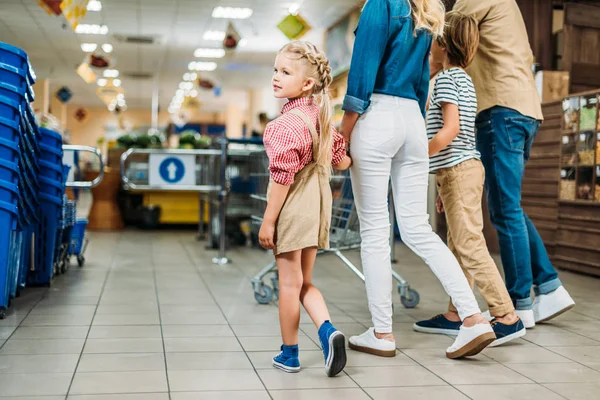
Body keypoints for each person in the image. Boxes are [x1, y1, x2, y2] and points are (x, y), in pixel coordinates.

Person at [339, 0, 495, 360]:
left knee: (376, 230)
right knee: (417, 228)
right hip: (413, 118)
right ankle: (472, 317)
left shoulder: (381, 4)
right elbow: (425, 79)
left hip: (377, 115)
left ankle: (382, 333)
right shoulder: (427, 10)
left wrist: (343, 132)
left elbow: (362, 73)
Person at [437, 0, 576, 328]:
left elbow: (445, 32)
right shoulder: (509, 7)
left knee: (504, 209)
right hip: (522, 110)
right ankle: (548, 285)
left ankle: (519, 304)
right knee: (507, 206)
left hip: (501, 109)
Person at [413, 11, 526, 347]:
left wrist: (421, 156)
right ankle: (456, 313)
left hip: (460, 170)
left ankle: (506, 314)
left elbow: (451, 130)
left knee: (469, 244)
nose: (429, 49)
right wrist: (442, 184)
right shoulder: (462, 77)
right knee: (458, 245)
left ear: (443, 45)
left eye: (432, 42)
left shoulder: (447, 79)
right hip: (459, 171)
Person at [259, 41, 352, 376]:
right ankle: (328, 331)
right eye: (275, 69)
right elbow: (343, 162)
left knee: (287, 283)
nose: (276, 77)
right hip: (318, 204)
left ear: (307, 83)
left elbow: (282, 180)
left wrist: (268, 222)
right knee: (303, 281)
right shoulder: (322, 117)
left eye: (285, 72)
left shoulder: (284, 125)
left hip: (294, 205)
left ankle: (290, 353)